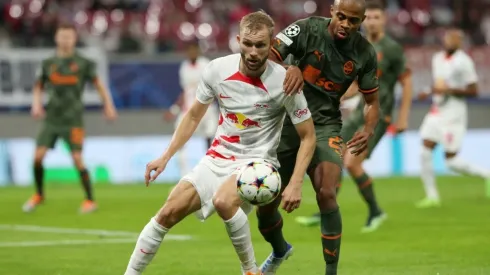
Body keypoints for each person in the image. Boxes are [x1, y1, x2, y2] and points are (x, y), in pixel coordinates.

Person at [124, 11, 316, 275]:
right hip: (217, 158)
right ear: (238, 40)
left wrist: (295, 183)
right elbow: (193, 115)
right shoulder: (216, 70)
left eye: (260, 45)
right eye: (247, 43)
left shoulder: (285, 82)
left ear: (271, 45)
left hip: (258, 164)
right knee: (167, 213)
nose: (252, 51)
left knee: (224, 202)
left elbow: (308, 135)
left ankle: (250, 271)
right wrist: (165, 156)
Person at [258, 0, 380, 274]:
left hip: (325, 126)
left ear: (360, 22)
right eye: (342, 17)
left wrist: (368, 129)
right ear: (332, 13)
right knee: (266, 206)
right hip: (286, 123)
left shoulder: (364, 53)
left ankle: (331, 272)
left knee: (327, 193)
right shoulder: (304, 29)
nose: (346, 25)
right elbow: (268, 56)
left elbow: (372, 101)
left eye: (353, 21)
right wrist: (289, 68)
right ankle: (279, 249)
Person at [295, 0, 413, 233]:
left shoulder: (391, 49)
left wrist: (403, 118)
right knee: (334, 158)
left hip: (378, 116)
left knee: (352, 162)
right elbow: (357, 84)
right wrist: (334, 96)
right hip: (357, 115)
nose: (373, 22)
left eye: (378, 17)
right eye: (370, 18)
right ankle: (325, 210)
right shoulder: (358, 46)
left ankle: (376, 210)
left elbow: (406, 83)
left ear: (384, 20)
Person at [22, 23, 117, 214]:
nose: (65, 41)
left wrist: (108, 105)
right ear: (57, 38)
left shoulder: (83, 63)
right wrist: (36, 105)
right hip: (52, 119)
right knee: (37, 157)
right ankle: (39, 194)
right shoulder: (48, 63)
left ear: (74, 39)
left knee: (77, 159)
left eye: (69, 37)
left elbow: (99, 85)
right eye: (62, 37)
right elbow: (38, 86)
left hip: (73, 118)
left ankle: (90, 200)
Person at [416, 28, 490, 208]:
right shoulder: (437, 59)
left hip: (454, 114)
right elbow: (439, 83)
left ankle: (486, 174)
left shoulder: (464, 62)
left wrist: (449, 91)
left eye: (454, 39)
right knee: (424, 151)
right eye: (448, 38)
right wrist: (429, 91)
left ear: (460, 42)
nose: (449, 41)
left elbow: (474, 90)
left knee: (451, 162)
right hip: (437, 111)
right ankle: (432, 196)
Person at [164, 42, 217, 176]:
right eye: (189, 51)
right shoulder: (184, 67)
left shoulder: (206, 64)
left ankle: (211, 173)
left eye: (194, 50)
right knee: (178, 138)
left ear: (198, 51)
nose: (191, 53)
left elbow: (216, 86)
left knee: (211, 139)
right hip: (188, 109)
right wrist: (174, 109)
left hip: (207, 109)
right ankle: (184, 176)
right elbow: (185, 91)